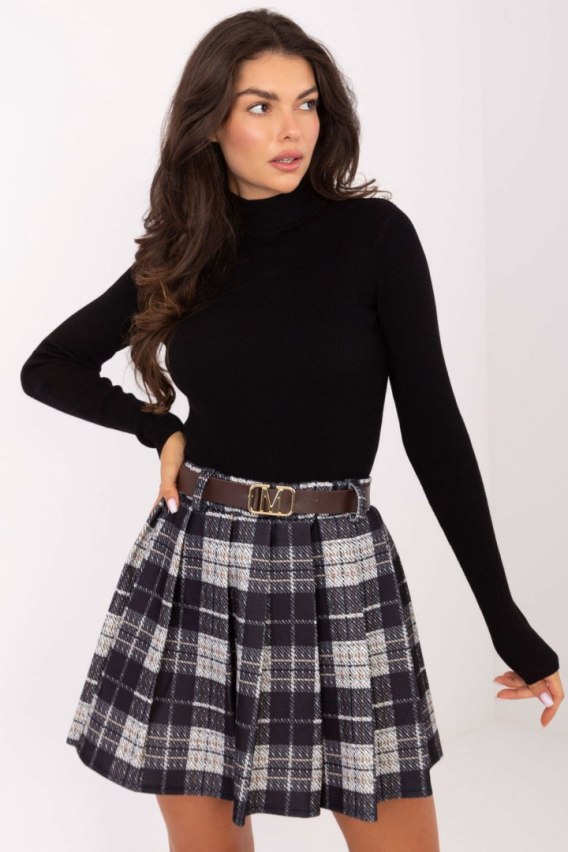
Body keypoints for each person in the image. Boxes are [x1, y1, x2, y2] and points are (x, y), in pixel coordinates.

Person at [19, 9, 563, 852]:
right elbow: (48, 366)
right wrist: (158, 429)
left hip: (337, 565)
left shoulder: (374, 237)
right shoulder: (186, 251)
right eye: (261, 106)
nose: (292, 129)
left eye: (306, 103)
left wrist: (505, 619)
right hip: (197, 564)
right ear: (211, 123)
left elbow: (435, 432)